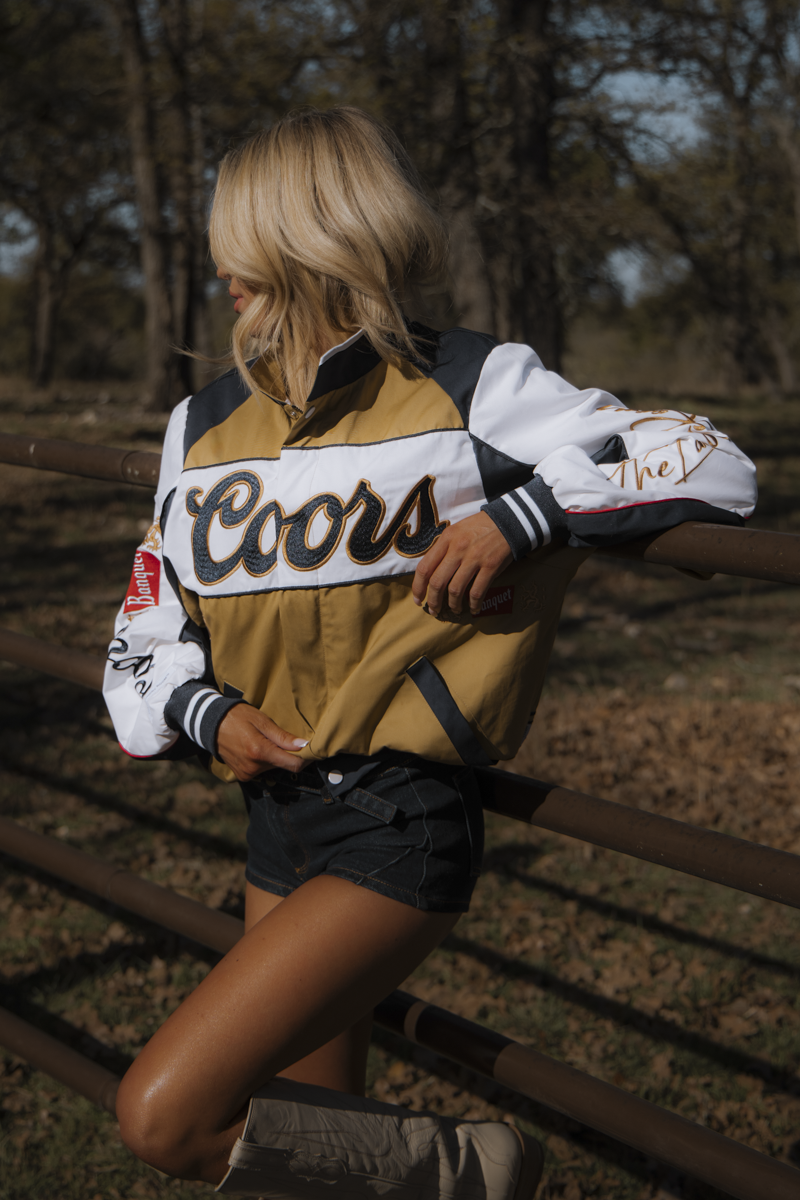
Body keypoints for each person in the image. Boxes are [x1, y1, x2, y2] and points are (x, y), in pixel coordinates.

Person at [102, 107, 757, 1197]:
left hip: (397, 823)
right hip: (275, 815)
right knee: (321, 1154)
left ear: (308, 235)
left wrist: (526, 517)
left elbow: (708, 462)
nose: (221, 268)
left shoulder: (472, 384)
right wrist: (209, 714)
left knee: (167, 1116)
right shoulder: (198, 425)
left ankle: (479, 1172)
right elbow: (144, 620)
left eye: (241, 240)